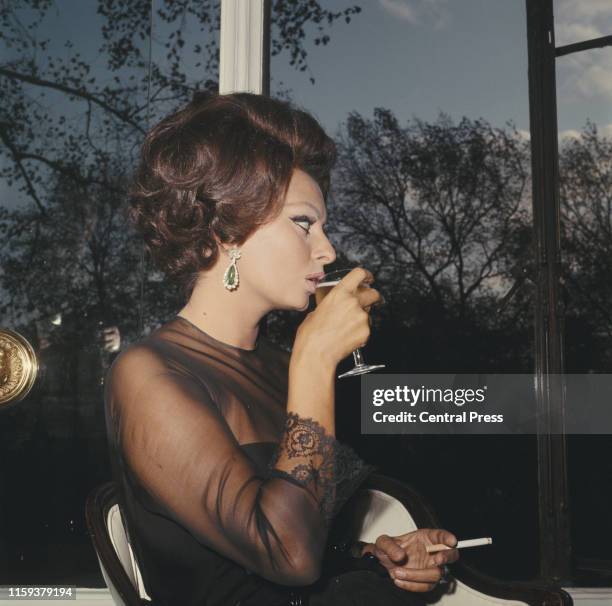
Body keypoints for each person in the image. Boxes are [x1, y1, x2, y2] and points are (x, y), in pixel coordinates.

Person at [104, 91, 459, 606]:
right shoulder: (148, 373)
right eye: (303, 223)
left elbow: (309, 536)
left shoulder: (275, 365)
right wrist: (315, 357)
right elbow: (286, 557)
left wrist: (378, 554)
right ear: (227, 230)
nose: (328, 249)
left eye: (324, 226)